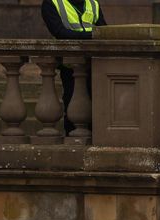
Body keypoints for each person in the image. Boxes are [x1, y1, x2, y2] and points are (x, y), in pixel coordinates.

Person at [41, 0, 106, 134]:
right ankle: (73, 139)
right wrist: (91, 35)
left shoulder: (92, 3)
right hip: (70, 64)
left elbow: (104, 30)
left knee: (98, 104)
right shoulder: (52, 3)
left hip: (95, 63)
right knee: (72, 101)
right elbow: (60, 32)